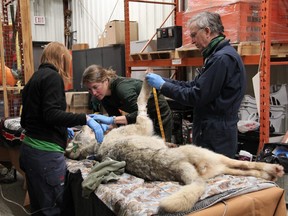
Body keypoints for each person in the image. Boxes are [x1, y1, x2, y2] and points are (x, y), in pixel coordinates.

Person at [20, 42, 107, 216]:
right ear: (61, 58)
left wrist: (60, 127)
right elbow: (51, 114)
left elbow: (26, 120)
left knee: (40, 208)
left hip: (30, 151)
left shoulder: (34, 79)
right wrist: (85, 118)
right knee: (55, 210)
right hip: (46, 156)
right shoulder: (52, 77)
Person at [146, 11, 246, 158]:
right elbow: (194, 86)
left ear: (207, 31)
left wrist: (163, 86)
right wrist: (164, 81)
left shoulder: (221, 59)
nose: (192, 41)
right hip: (211, 129)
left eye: (193, 35)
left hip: (216, 135)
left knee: (213, 177)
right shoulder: (216, 56)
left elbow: (196, 95)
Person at [81, 64, 173, 142]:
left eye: (95, 87)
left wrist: (112, 120)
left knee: (161, 146)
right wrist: (106, 127)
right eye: (89, 89)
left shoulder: (122, 89)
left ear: (105, 80)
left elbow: (140, 114)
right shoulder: (103, 96)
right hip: (138, 114)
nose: (93, 93)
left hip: (156, 111)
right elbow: (117, 120)